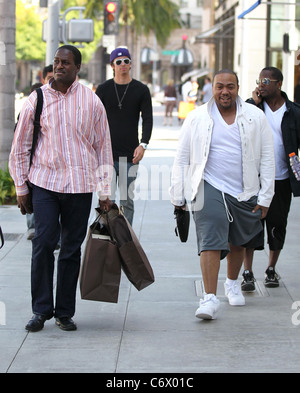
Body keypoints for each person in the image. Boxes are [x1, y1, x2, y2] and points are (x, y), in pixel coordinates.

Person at [9, 45, 113, 332]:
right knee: (43, 243)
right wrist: (21, 186)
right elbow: (20, 146)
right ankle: (41, 310)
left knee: (70, 249)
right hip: (45, 182)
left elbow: (103, 147)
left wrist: (105, 191)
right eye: (56, 62)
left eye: (65, 62)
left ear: (77, 68)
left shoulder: (91, 102)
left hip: (80, 186)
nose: (59, 66)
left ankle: (64, 312)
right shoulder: (36, 99)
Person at [170, 69, 275, 320]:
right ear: (212, 89)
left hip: (244, 188)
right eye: (219, 87)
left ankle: (231, 282)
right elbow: (182, 158)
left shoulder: (255, 116)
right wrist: (178, 196)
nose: (224, 91)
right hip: (207, 185)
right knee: (210, 238)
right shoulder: (196, 118)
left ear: (238, 88)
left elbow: (268, 158)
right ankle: (209, 298)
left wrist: (265, 197)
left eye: (230, 86)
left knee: (238, 241)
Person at [241, 67, 300, 291]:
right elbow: (239, 127)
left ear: (279, 84)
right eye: (259, 80)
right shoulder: (251, 108)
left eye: (267, 80)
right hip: (254, 180)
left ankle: (271, 269)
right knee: (250, 226)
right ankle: (247, 272)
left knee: (277, 226)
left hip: (282, 180)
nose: (261, 84)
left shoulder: (294, 112)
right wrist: (253, 103)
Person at [95, 47, 153, 225]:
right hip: (106, 155)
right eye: (118, 62)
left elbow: (148, 119)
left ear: (131, 64)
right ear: (112, 65)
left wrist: (143, 144)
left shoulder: (141, 89)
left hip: (130, 154)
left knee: (127, 200)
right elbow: (94, 119)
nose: (123, 65)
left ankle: (126, 238)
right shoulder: (103, 89)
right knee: (106, 198)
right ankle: (107, 236)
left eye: (126, 61)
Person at [26, 65, 53, 241]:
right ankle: (33, 228)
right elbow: (20, 139)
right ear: (43, 79)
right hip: (38, 170)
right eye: (49, 77)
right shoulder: (36, 98)